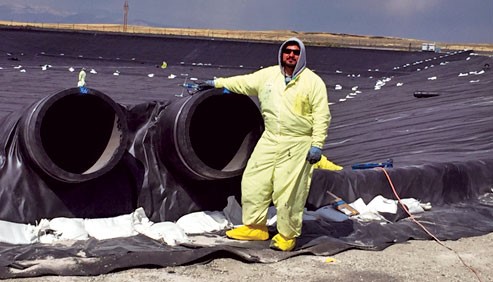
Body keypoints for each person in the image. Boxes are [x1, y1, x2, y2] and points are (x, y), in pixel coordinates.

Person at [201, 37, 331, 251]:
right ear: (282, 53)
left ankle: (287, 236)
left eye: (296, 52)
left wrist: (317, 144)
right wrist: (216, 83)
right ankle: (255, 226)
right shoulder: (268, 76)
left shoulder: (313, 82)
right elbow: (243, 82)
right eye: (287, 51)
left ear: (302, 56)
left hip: (297, 142)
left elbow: (321, 115)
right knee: (254, 180)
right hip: (271, 138)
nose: (291, 55)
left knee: (288, 191)